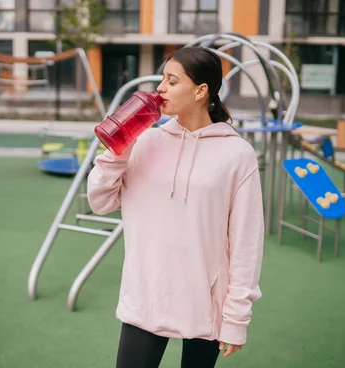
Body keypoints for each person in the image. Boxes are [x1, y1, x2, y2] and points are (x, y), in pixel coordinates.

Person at [87, 46, 265, 368]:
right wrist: (118, 151)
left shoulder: (237, 154)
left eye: (172, 81)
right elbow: (100, 202)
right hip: (147, 295)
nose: (160, 89)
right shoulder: (146, 141)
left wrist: (237, 317)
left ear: (201, 91)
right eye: (162, 79)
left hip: (205, 301)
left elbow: (246, 242)